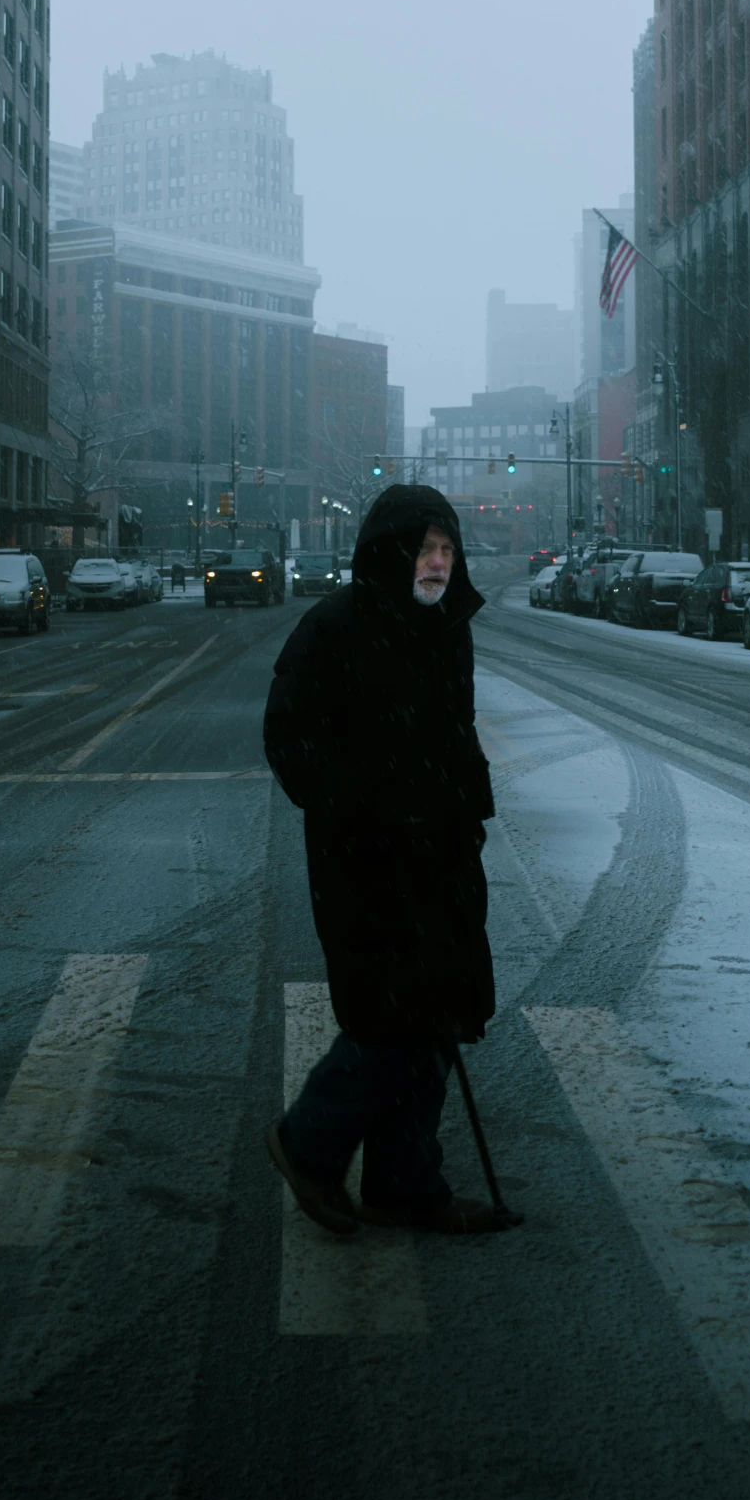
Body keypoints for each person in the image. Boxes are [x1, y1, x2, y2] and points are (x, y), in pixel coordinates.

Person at [262, 484, 508, 1236]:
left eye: (446, 549)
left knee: (437, 1016)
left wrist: (462, 805)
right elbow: (288, 737)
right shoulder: (334, 628)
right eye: (425, 548)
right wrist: (363, 804)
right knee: (390, 1016)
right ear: (391, 552)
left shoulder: (444, 629)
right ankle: (308, 1141)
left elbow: (453, 734)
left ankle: (406, 1182)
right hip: (366, 859)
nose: (437, 563)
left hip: (440, 853)